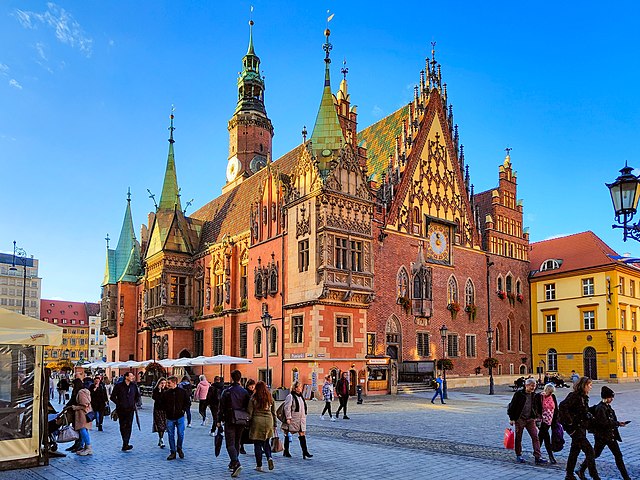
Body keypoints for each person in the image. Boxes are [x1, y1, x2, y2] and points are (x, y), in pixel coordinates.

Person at [577, 386, 630, 480]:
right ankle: (581, 469)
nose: (612, 399)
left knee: (617, 456)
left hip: (610, 436)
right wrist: (618, 423)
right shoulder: (601, 408)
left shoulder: (606, 406)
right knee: (595, 454)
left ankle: (626, 477)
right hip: (603, 437)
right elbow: (604, 423)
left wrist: (617, 423)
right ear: (606, 397)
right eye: (611, 397)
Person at [560, 376, 600, 480]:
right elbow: (563, 406)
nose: (591, 387)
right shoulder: (575, 396)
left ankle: (569, 474)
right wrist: (569, 423)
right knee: (590, 451)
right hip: (576, 429)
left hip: (581, 428)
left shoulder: (583, 397)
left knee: (574, 451)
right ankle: (594, 476)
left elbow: (582, 411)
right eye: (589, 385)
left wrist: (594, 410)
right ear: (583, 385)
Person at [507, 377, 547, 465]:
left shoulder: (534, 395)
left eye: (534, 386)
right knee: (518, 437)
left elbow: (536, 407)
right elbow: (512, 406)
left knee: (535, 437)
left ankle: (537, 456)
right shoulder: (519, 394)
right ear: (526, 385)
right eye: (531, 386)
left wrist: (537, 416)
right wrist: (512, 418)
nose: (533, 388)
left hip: (530, 419)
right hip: (520, 419)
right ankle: (518, 455)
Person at [218, 369, 250, 478]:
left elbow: (221, 407)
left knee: (230, 443)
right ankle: (233, 462)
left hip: (230, 418)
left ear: (231, 378)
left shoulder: (227, 391)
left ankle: (236, 463)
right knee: (237, 441)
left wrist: (218, 420)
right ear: (240, 378)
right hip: (241, 419)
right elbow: (247, 406)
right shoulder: (244, 391)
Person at [248, 381, 276, 472]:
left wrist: (248, 422)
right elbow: (273, 412)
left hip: (257, 421)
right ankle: (269, 457)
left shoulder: (254, 398)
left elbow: (250, 412)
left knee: (257, 444)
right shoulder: (269, 397)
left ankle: (259, 465)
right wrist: (275, 424)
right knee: (266, 442)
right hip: (268, 421)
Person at [161, 376, 190, 461]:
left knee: (181, 434)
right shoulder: (166, 393)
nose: (167, 384)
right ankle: (173, 451)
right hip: (170, 417)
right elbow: (162, 403)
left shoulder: (182, 392)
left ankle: (179, 448)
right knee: (171, 435)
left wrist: (183, 410)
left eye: (169, 383)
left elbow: (187, 402)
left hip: (180, 416)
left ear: (174, 383)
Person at [110, 371, 140, 451]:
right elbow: (112, 397)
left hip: (130, 409)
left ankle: (126, 443)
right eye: (131, 376)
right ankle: (125, 441)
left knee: (129, 426)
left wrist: (134, 402)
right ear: (126, 377)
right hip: (121, 409)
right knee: (123, 425)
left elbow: (137, 396)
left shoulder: (133, 386)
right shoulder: (119, 386)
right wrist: (119, 403)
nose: (133, 377)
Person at [282, 380, 313, 459]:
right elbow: (287, 408)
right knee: (287, 433)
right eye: (299, 387)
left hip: (301, 419)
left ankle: (305, 452)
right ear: (295, 388)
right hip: (293, 419)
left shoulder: (300, 396)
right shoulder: (290, 396)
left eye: (300, 387)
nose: (300, 388)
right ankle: (286, 450)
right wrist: (288, 418)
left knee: (302, 434)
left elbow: (303, 407)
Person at [535, 383, 559, 464]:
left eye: (552, 392)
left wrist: (556, 421)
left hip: (550, 420)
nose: (551, 394)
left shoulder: (553, 397)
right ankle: (550, 456)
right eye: (550, 392)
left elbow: (556, 409)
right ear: (546, 390)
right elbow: (535, 408)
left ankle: (537, 455)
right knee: (546, 437)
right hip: (541, 420)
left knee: (541, 437)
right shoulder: (539, 396)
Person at [70, 378, 93, 456]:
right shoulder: (84, 391)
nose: (72, 386)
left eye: (73, 384)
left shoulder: (81, 392)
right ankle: (86, 447)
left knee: (83, 430)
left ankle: (88, 448)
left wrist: (75, 407)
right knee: (84, 430)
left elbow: (85, 405)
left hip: (82, 414)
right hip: (84, 414)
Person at [239, 378, 256, 454]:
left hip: (252, 414)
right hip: (245, 413)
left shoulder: (254, 393)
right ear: (248, 385)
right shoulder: (245, 393)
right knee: (244, 431)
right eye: (251, 386)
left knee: (253, 431)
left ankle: (257, 446)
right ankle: (241, 446)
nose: (252, 387)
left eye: (253, 386)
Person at [152, 377, 168, 448]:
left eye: (164, 383)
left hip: (165, 410)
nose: (163, 385)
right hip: (158, 409)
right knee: (159, 424)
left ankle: (161, 438)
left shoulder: (167, 390)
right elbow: (155, 398)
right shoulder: (156, 390)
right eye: (162, 383)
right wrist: (159, 391)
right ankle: (161, 439)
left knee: (164, 425)